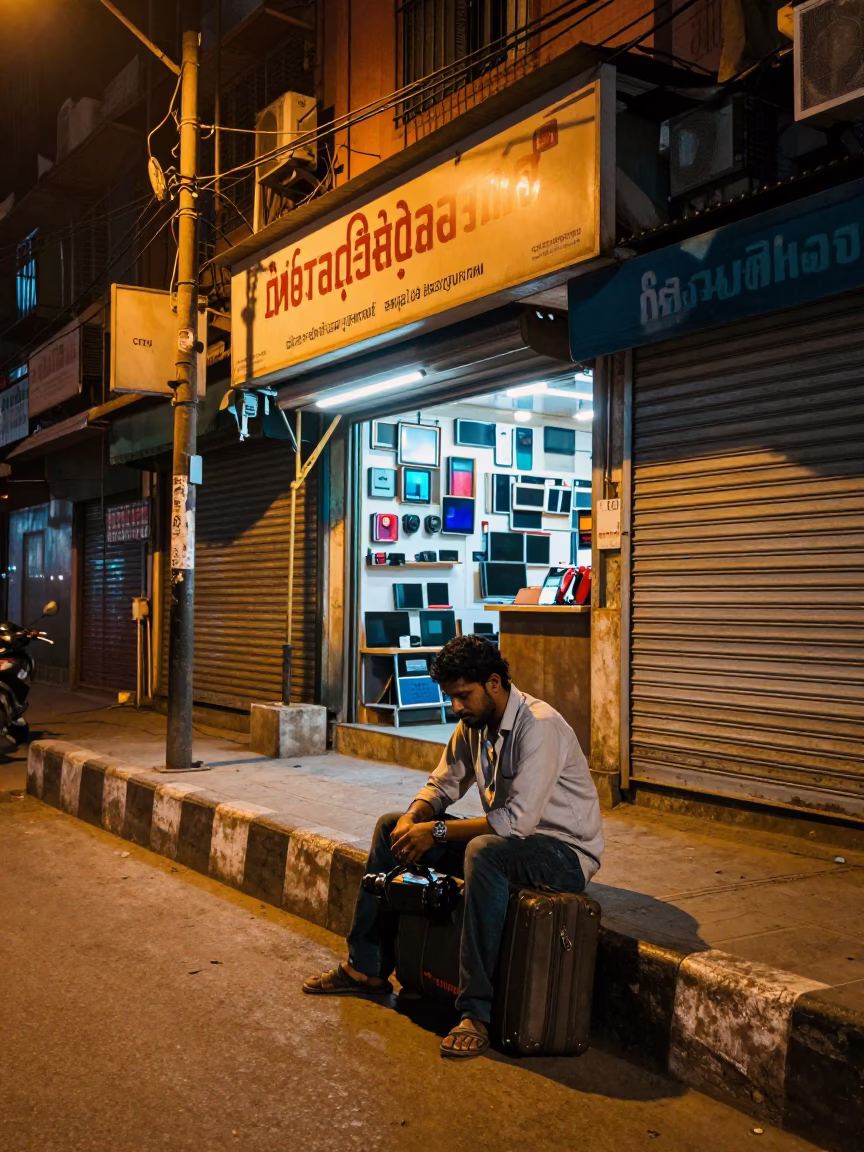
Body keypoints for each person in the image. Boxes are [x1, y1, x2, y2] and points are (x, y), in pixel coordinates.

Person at [303, 634, 604, 1059]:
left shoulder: (539, 726)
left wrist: (437, 832)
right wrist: (414, 818)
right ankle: (365, 968)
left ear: (494, 683)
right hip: (509, 842)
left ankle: (475, 1013)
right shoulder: (474, 726)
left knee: (484, 852)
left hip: (563, 853)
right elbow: (443, 785)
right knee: (391, 828)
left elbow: (515, 823)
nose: (456, 707)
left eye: (463, 695)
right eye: (451, 697)